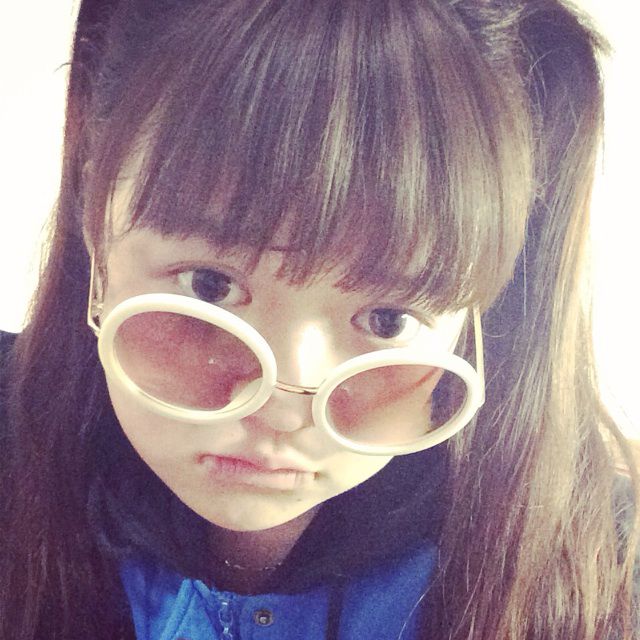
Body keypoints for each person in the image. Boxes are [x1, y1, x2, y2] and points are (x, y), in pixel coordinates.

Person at [0, 0, 638, 638]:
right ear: (95, 219)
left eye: (387, 319)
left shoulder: (597, 568)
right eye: (211, 285)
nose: (281, 409)